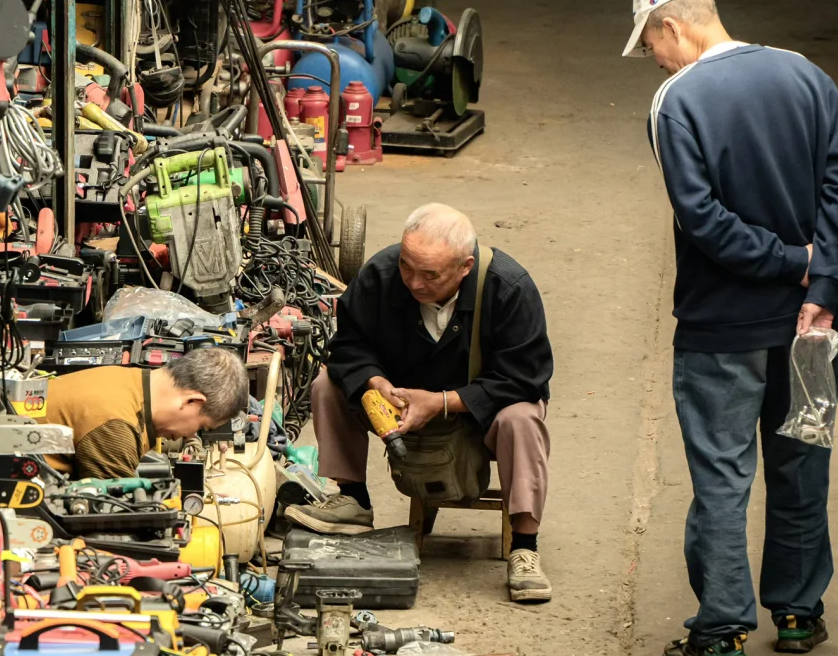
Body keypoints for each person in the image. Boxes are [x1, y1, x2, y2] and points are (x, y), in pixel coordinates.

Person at [625, 0, 838, 656]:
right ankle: (797, 614)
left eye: (651, 46)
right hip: (812, 328)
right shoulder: (806, 76)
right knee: (802, 464)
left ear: (673, 26)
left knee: (724, 477)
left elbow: (702, 221)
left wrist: (792, 261)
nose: (653, 61)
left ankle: (722, 632)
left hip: (722, 331)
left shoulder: (676, 103)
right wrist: (821, 277)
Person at [288, 203, 554, 604]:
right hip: (404, 399)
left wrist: (445, 402)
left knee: (522, 418)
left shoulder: (508, 287)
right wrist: (375, 382)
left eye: (430, 275)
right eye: (408, 267)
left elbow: (526, 378)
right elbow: (348, 349)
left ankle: (525, 545)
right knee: (329, 384)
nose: (414, 282)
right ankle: (354, 500)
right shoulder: (380, 274)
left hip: (479, 409)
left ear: (465, 266)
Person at [43, 348, 247, 479]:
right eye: (201, 427)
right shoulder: (118, 426)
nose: (191, 436)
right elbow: (113, 518)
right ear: (192, 401)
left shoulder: (127, 380)